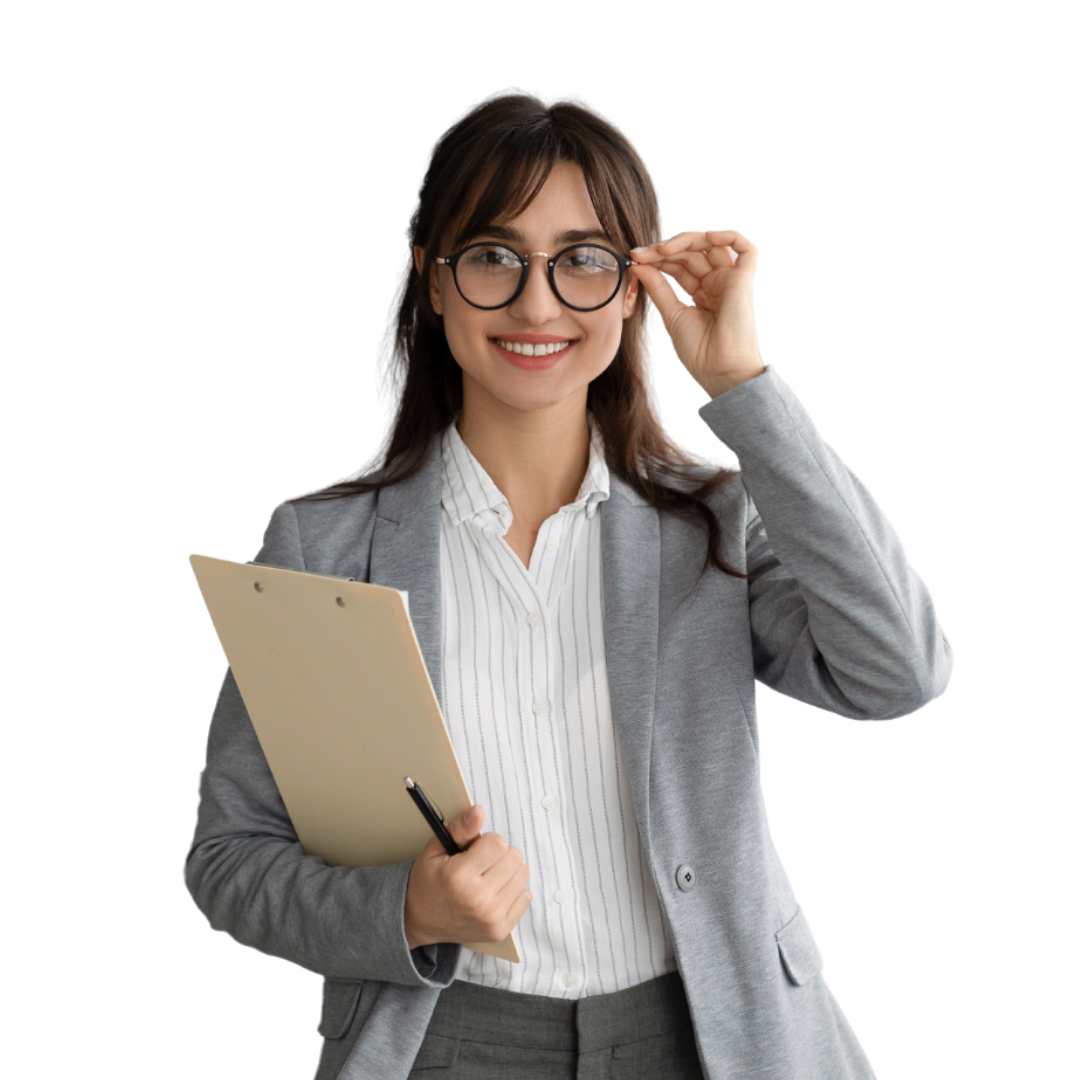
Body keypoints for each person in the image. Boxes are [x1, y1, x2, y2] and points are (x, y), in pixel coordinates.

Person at [184, 88, 953, 1079]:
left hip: (712, 1038)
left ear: (634, 288)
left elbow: (900, 667)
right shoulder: (320, 543)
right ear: (433, 281)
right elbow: (229, 857)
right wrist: (404, 910)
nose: (538, 305)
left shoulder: (712, 518)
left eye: (584, 260)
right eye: (494, 257)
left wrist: (743, 387)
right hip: (446, 1043)